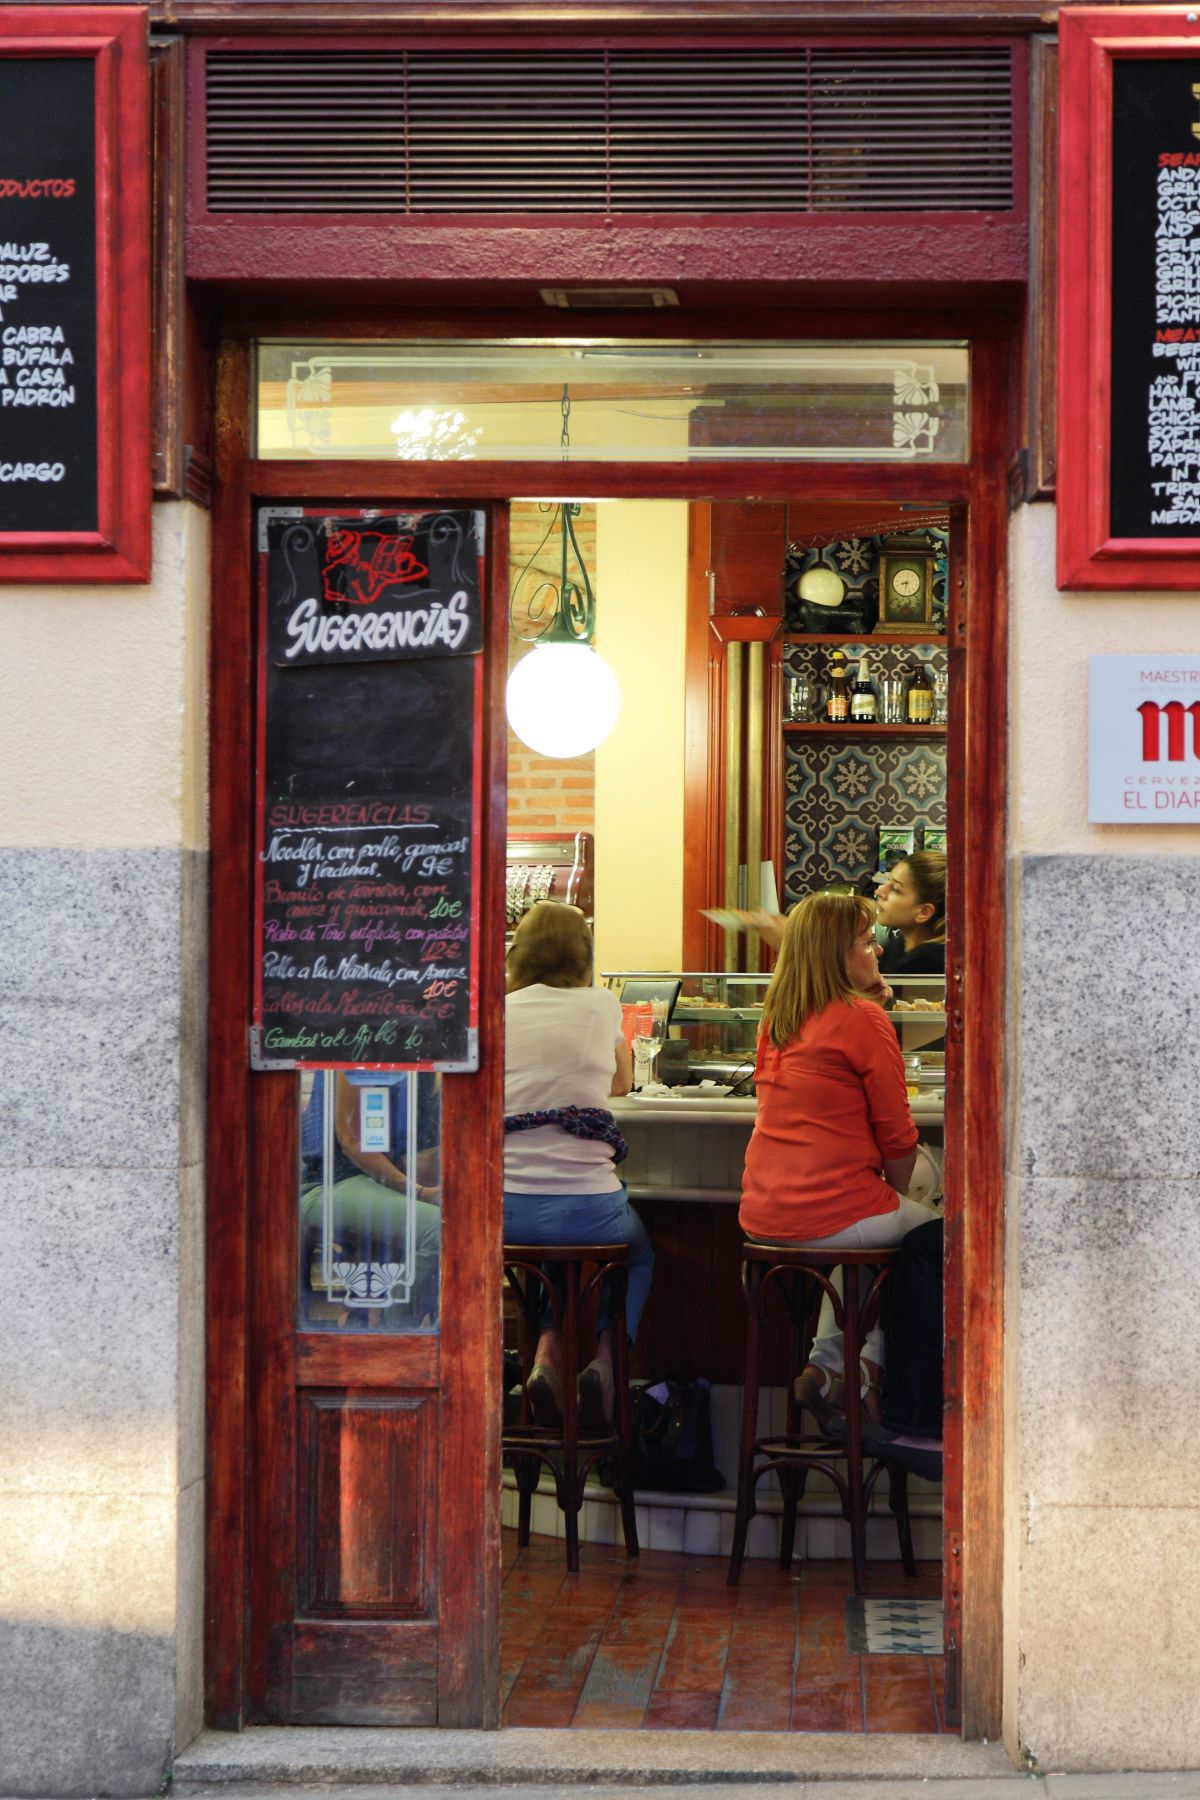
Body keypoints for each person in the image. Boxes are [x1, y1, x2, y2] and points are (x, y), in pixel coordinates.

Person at [738, 892, 937, 1427]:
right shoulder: (861, 1020)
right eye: (867, 943)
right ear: (838, 954)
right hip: (833, 1212)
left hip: (763, 1214)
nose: (876, 951)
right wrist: (894, 1192)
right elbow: (898, 1138)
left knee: (866, 1244)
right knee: (934, 1238)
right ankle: (871, 1370)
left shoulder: (776, 1016)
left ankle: (826, 1369)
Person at [503, 901, 654, 1433]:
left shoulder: (498, 1008)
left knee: (553, 1252)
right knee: (634, 1254)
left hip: (505, 1213)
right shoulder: (600, 1005)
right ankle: (607, 1363)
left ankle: (545, 1355)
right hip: (589, 1210)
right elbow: (621, 1084)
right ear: (584, 954)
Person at [300, 1068, 442, 1328]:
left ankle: (373, 1322)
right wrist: (419, 1191)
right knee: (440, 1228)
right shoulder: (364, 1040)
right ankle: (396, 1336)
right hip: (329, 1182)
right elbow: (352, 1141)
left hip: (377, 1180)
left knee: (458, 1219)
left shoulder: (426, 1052)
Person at [876, 850, 946, 977]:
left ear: (924, 912)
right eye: (887, 881)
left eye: (896, 889)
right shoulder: (896, 948)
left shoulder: (925, 965)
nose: (879, 891)